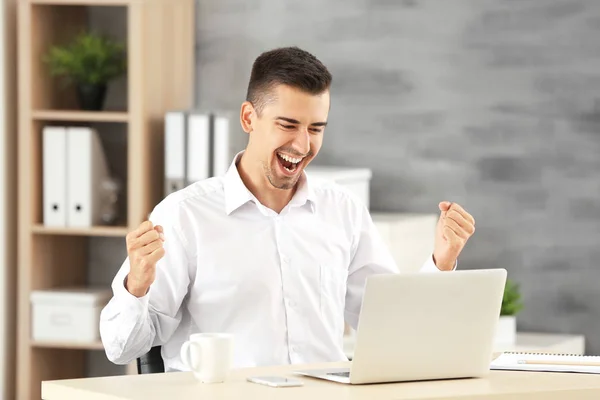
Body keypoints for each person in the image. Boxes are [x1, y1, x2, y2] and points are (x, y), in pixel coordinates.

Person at [99, 46, 476, 371]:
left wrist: (440, 262)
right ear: (249, 117)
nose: (302, 143)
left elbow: (391, 329)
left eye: (315, 128)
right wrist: (137, 285)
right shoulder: (184, 216)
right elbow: (122, 349)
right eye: (288, 124)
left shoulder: (343, 210)